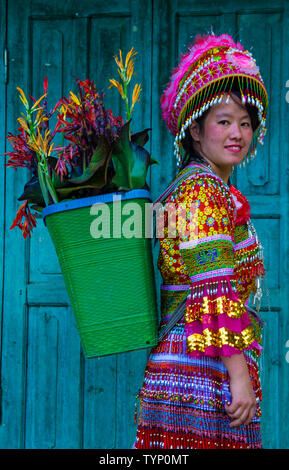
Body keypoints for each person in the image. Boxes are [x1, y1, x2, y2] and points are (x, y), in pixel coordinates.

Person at [133, 33, 268, 449]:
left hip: (192, 360)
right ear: (194, 130)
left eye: (245, 123)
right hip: (202, 369)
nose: (237, 133)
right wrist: (240, 378)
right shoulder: (203, 192)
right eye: (223, 121)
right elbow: (214, 288)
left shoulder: (202, 187)